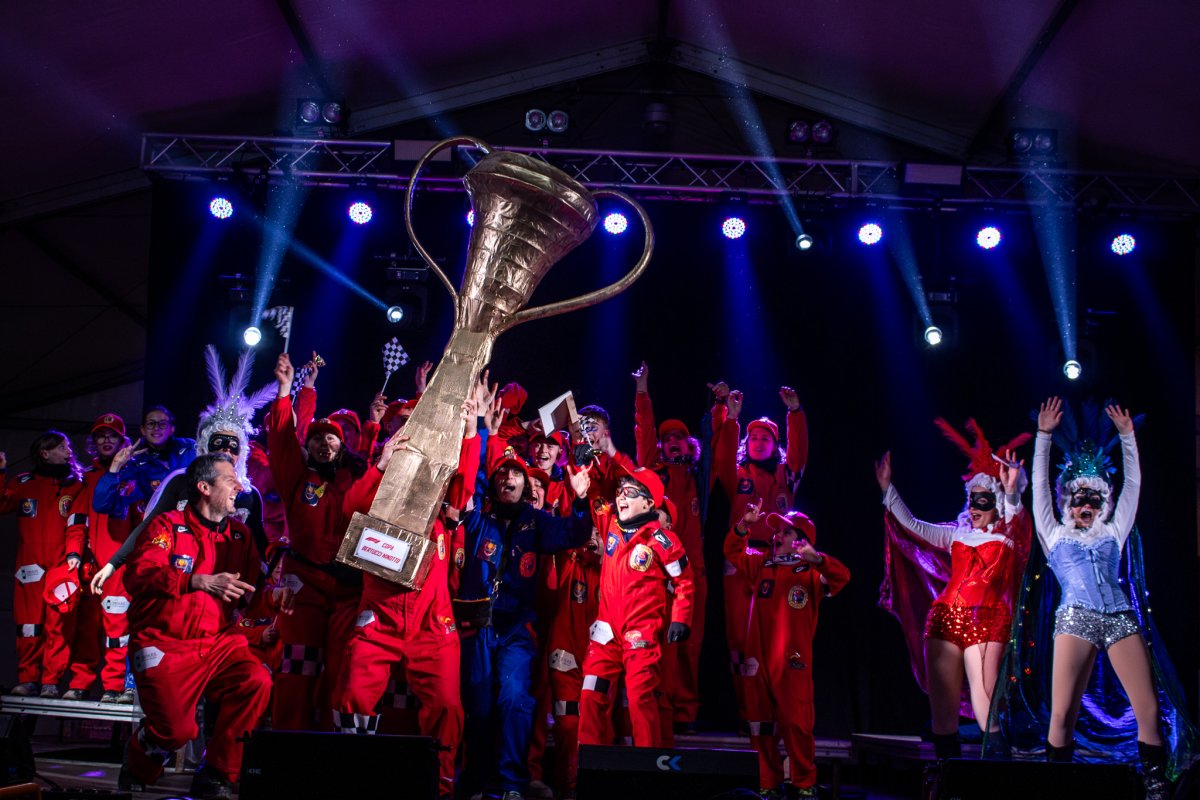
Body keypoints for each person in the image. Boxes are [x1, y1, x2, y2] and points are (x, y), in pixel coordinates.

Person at [332, 403, 479, 800]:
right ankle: (353, 777)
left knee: (447, 706)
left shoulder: (441, 488)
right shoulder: (382, 482)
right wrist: (380, 464)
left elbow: (463, 488)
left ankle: (441, 785)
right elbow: (350, 510)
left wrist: (470, 434)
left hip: (433, 623)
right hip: (380, 615)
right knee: (354, 696)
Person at [119, 454, 280, 799]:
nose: (239, 484)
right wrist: (196, 581)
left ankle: (218, 773)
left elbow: (254, 589)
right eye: (229, 479)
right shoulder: (165, 526)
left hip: (218, 642)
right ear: (204, 488)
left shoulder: (240, 535)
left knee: (257, 680)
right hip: (163, 641)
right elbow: (137, 575)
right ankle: (140, 758)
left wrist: (274, 596)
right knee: (177, 732)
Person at [455, 402, 593, 800]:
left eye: (518, 474)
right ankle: (476, 780)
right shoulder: (478, 519)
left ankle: (511, 783)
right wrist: (479, 431)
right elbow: (471, 478)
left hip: (517, 628)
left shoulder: (537, 523)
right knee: (479, 707)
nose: (511, 478)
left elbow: (574, 533)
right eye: (505, 473)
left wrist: (581, 500)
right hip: (477, 626)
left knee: (515, 699)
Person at [1032, 398, 1167, 798]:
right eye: (1079, 499)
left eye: (1094, 500)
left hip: (1120, 617)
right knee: (1062, 715)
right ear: (1067, 501)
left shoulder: (1113, 532)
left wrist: (1128, 438)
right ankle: (1059, 789)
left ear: (1103, 505)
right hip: (1075, 619)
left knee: (1150, 711)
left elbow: (1134, 487)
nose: (1086, 505)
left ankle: (1156, 787)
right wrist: (1043, 436)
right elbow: (1039, 486)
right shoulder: (1053, 534)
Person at [875, 419, 1030, 759]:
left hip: (988, 621)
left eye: (984, 501)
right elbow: (913, 527)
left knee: (987, 708)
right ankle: (948, 788)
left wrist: (1013, 491)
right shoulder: (956, 533)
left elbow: (1018, 516)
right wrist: (888, 490)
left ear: (997, 501)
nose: (975, 507)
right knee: (942, 720)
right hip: (945, 620)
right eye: (972, 500)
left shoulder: (1009, 534)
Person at [267, 352, 379, 731]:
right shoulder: (298, 478)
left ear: (342, 444)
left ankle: (334, 752)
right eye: (316, 437)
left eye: (331, 437)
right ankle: (287, 744)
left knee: (341, 669)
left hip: (349, 589)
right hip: (305, 585)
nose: (323, 443)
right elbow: (283, 440)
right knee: (298, 665)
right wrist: (288, 391)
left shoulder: (354, 477)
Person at [725, 504, 849, 799]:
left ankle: (804, 784)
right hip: (758, 661)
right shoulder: (761, 565)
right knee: (761, 724)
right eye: (776, 531)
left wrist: (817, 559)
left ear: (801, 539)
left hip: (793, 662)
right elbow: (732, 551)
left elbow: (842, 577)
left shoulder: (810, 573)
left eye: (785, 531)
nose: (776, 536)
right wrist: (744, 524)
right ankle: (768, 783)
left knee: (796, 723)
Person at [710, 383, 808, 719]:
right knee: (739, 636)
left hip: (778, 559)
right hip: (739, 558)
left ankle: (775, 711)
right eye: (753, 438)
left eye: (766, 438)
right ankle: (746, 711)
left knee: (776, 636)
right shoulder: (736, 475)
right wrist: (732, 419)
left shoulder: (786, 475)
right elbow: (722, 452)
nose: (759, 443)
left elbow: (799, 455)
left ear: (775, 444)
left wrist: (795, 414)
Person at [578, 467, 694, 749]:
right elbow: (595, 491)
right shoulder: (611, 524)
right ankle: (590, 767)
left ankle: (647, 770)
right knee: (591, 692)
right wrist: (583, 456)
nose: (621, 498)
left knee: (640, 696)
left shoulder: (661, 539)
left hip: (640, 632)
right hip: (606, 631)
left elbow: (684, 581)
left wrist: (681, 618)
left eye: (630, 493)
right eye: (619, 492)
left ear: (649, 502)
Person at [631, 361, 706, 730]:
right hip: (661, 570)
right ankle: (659, 708)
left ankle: (685, 714)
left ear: (689, 443)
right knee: (660, 638)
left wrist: (726, 413)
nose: (673, 440)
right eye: (668, 437)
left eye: (679, 436)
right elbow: (644, 434)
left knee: (689, 644)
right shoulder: (654, 471)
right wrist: (642, 391)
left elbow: (723, 447)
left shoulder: (699, 476)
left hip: (695, 572)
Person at [0, 431, 85, 697]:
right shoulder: (23, 482)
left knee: (58, 624)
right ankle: (28, 679)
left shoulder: (76, 485)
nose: (68, 451)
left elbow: (77, 524)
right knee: (28, 625)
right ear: (44, 453)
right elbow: (2, 504)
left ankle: (50, 680)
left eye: (68, 446)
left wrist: (74, 554)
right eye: (61, 447)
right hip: (29, 564)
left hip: (62, 563)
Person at [65, 414, 136, 702]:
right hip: (88, 565)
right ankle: (80, 683)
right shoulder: (87, 478)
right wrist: (73, 552)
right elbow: (77, 521)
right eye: (100, 436)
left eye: (112, 436)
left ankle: (114, 686)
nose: (106, 440)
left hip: (118, 566)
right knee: (86, 627)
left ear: (122, 442)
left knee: (117, 627)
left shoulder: (132, 476)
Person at [93, 406, 195, 517]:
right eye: (151, 423)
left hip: (198, 527)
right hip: (165, 529)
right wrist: (115, 466)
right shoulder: (136, 467)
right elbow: (102, 505)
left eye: (162, 423)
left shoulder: (190, 449)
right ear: (143, 430)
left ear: (172, 429)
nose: (156, 428)